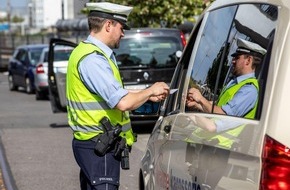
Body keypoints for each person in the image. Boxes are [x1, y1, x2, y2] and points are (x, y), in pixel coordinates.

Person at [66, 2, 169, 190]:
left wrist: (145, 95)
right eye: (121, 28)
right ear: (108, 25)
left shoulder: (87, 53)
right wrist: (150, 90)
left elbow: (112, 93)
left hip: (94, 144)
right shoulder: (93, 59)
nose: (123, 33)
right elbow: (121, 102)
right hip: (99, 146)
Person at [187, 38, 267, 121]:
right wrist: (197, 104)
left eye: (237, 57)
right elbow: (219, 107)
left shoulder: (249, 89)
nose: (233, 61)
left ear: (248, 60)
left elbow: (223, 114)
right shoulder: (236, 82)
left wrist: (201, 99)